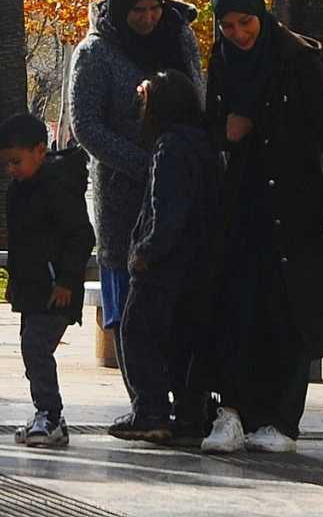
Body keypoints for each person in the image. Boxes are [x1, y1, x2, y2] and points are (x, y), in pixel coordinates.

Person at [205, 0, 323, 455]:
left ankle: (282, 421)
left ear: (260, 15)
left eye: (245, 22)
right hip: (240, 203)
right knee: (237, 307)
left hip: (293, 206)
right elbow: (211, 122)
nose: (238, 34)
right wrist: (225, 131)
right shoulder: (223, 59)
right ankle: (231, 412)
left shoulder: (296, 60)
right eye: (227, 26)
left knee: (288, 312)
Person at [67, 0, 202, 385]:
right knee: (126, 305)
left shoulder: (179, 37)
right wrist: (145, 166)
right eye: (137, 10)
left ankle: (181, 401)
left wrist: (179, 165)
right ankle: (144, 403)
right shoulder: (95, 52)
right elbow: (86, 125)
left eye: (154, 9)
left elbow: (197, 98)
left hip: (179, 191)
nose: (147, 19)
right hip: (122, 198)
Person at [109, 70, 223, 448]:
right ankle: (191, 415)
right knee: (182, 342)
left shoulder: (169, 147)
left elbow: (167, 209)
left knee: (137, 332)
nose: (139, 108)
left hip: (165, 265)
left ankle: (150, 411)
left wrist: (146, 251)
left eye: (144, 100)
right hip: (199, 263)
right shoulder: (203, 144)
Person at [0, 111, 94, 450]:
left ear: (40, 150)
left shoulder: (57, 185)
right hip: (31, 290)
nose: (11, 170)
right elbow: (21, 244)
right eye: (7, 164)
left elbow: (81, 235)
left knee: (35, 347)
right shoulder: (18, 190)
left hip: (56, 291)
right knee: (33, 351)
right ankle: (48, 414)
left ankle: (49, 414)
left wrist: (66, 280)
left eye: (16, 161)